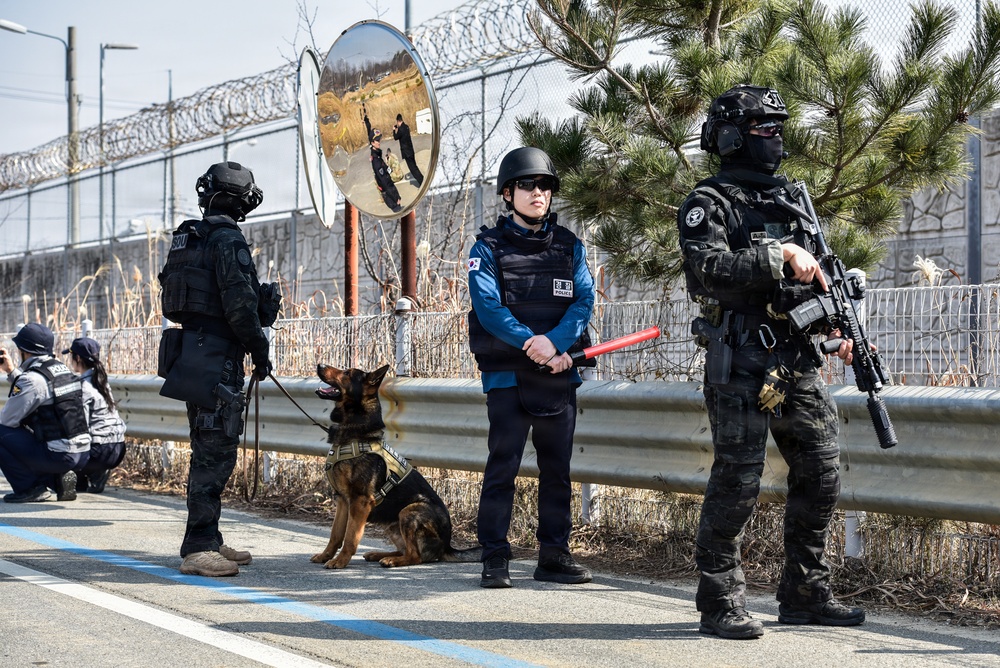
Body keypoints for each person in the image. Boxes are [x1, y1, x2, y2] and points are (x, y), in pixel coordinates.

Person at [677, 84, 865, 639]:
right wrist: (777, 255)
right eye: (763, 129)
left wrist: (837, 325)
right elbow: (706, 271)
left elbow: (817, 277)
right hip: (740, 362)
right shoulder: (707, 203)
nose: (775, 139)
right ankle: (719, 602)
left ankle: (804, 592)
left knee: (822, 474)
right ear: (732, 136)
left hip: (796, 362)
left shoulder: (790, 200)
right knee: (737, 482)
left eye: (779, 128)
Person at [468, 146, 596, 588]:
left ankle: (554, 556)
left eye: (544, 186)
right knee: (502, 466)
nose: (538, 192)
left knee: (557, 470)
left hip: (560, 373)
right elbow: (488, 308)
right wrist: (531, 343)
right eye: (527, 185)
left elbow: (584, 302)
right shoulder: (486, 248)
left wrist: (556, 344)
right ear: (508, 193)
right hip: (508, 376)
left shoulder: (569, 246)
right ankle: (495, 558)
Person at [157, 161, 279, 577]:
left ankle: (211, 537)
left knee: (207, 447)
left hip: (192, 353)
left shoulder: (189, 237)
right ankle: (198, 546)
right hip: (218, 360)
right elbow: (239, 306)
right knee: (215, 453)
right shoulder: (228, 240)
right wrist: (260, 347)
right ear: (240, 200)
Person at [0, 323, 90, 503]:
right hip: (83, 453)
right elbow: (39, 386)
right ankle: (56, 481)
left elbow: (7, 421)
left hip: (60, 455)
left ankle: (30, 488)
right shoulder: (61, 369)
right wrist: (11, 371)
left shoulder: (31, 379)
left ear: (22, 350)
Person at [63, 337, 126, 494]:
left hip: (99, 452)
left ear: (77, 358)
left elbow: (79, 426)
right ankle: (93, 473)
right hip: (119, 448)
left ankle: (91, 472)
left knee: (58, 450)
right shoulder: (102, 381)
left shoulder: (82, 386)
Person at [362, 106, 403, 213]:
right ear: (372, 143)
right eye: (376, 141)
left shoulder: (377, 154)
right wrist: (396, 197)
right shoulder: (376, 160)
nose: (379, 142)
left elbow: (369, 132)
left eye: (379, 139)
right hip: (389, 194)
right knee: (397, 210)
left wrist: (366, 119)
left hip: (388, 192)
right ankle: (397, 206)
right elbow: (385, 182)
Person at [392, 113, 424, 186]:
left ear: (398, 121)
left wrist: (394, 130)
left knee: (413, 169)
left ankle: (421, 182)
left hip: (406, 153)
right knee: (415, 166)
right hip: (410, 150)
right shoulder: (406, 127)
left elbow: (395, 137)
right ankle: (422, 179)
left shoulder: (400, 129)